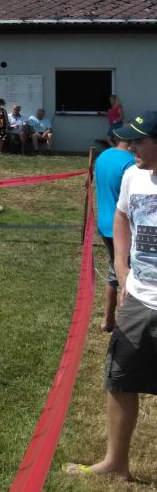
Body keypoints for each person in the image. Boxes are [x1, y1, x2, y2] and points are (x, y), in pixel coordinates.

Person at [67, 111, 157, 479]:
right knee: (119, 379)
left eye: (138, 140)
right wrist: (121, 269)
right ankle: (116, 463)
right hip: (139, 299)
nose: (131, 147)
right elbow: (121, 216)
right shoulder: (133, 175)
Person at [94, 137, 135, 333]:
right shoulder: (130, 164)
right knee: (128, 275)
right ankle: (125, 324)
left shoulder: (104, 156)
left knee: (114, 270)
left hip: (105, 223)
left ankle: (108, 319)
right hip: (123, 228)